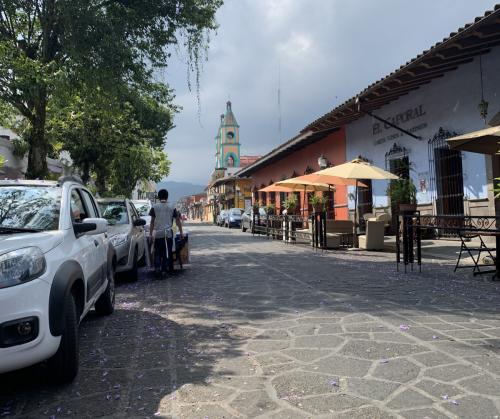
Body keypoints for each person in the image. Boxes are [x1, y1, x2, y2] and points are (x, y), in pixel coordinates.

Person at [149, 189, 184, 277]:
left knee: (157, 252)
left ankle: (157, 268)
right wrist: (181, 232)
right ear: (167, 197)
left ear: (159, 197)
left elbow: (152, 222)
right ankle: (164, 270)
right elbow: (178, 220)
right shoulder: (172, 207)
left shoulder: (154, 207)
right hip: (168, 234)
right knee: (166, 253)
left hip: (157, 234)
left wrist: (150, 234)